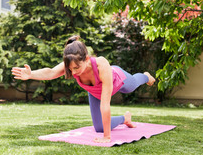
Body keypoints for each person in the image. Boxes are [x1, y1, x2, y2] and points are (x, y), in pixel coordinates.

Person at [11, 36, 155, 143]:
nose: (73, 73)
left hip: (118, 80)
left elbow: (105, 104)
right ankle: (125, 119)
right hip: (94, 92)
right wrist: (30, 75)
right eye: (70, 69)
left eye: (76, 68)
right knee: (99, 127)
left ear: (86, 59)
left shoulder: (101, 64)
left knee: (133, 84)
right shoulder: (72, 63)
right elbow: (50, 72)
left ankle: (146, 76)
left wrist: (107, 137)